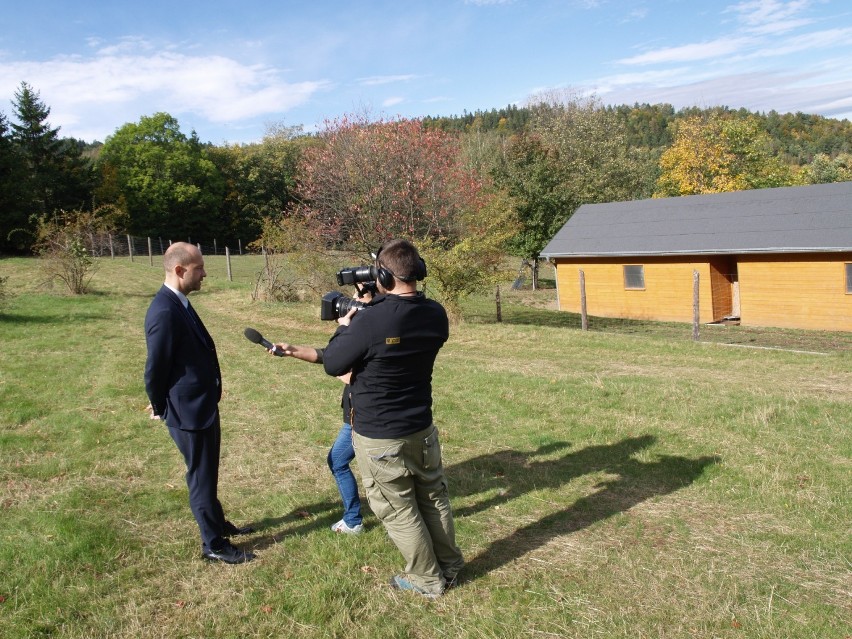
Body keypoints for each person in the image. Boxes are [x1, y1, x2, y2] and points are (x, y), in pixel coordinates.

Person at [320, 239, 464, 598]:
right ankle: (450, 566)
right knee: (433, 498)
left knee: (398, 509)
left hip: (381, 434)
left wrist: (346, 324)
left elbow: (334, 363)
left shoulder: (369, 321)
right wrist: (376, 306)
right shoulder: (435, 313)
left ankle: (426, 580)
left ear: (381, 274)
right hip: (421, 426)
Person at [144, 242, 255, 564]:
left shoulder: (178, 303)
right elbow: (155, 368)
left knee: (208, 470)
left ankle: (218, 523)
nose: (204, 274)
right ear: (180, 271)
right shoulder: (164, 311)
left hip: (200, 405)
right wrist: (161, 406)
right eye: (199, 268)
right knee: (201, 475)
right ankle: (214, 544)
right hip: (188, 411)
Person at [270, 292, 374, 536]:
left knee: (341, 462)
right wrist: (291, 350)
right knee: (342, 462)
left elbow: (338, 363)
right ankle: (357, 519)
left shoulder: (370, 327)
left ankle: (354, 520)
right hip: (356, 415)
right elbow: (328, 355)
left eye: (360, 295)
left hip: (364, 416)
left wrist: (343, 335)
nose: (353, 301)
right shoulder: (370, 325)